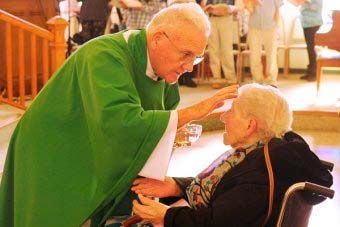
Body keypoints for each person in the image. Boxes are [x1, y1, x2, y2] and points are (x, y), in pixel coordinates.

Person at [0, 3, 239, 227]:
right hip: (56, 150)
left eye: (196, 57)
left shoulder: (165, 70)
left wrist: (170, 131)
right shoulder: (103, 56)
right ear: (157, 39)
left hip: (91, 147)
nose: (189, 67)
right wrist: (196, 111)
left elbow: (157, 120)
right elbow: (122, 124)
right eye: (186, 54)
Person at [131, 83, 333, 226]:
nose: (223, 117)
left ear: (249, 125)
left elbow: (217, 222)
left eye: (231, 112)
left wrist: (167, 216)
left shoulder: (259, 171)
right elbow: (226, 191)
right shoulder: (264, 151)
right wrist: (177, 186)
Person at [203, 0, 241, 89]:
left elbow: (236, 7)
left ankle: (231, 78)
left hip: (226, 18)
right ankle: (216, 79)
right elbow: (206, 6)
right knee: (214, 51)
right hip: (212, 19)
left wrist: (228, 9)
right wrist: (210, 8)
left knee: (227, 50)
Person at [246, 0, 282, 87]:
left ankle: (271, 81)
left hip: (271, 26)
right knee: (254, 55)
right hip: (254, 27)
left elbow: (277, 11)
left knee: (272, 54)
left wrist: (277, 28)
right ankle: (257, 80)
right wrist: (252, 4)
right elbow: (250, 10)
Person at [299, 0, 323, 82]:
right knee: (309, 49)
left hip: (314, 24)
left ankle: (314, 74)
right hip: (306, 24)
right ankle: (310, 72)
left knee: (312, 49)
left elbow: (316, 7)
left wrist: (306, 2)